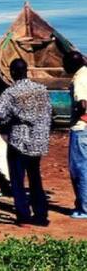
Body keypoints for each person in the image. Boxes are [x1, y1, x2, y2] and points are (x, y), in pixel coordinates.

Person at [0, 58, 52, 226]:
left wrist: (10, 118)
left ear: (13, 73)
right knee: (35, 179)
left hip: (19, 141)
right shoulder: (42, 89)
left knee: (17, 181)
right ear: (27, 71)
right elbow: (48, 113)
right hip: (38, 141)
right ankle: (41, 216)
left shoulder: (11, 92)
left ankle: (24, 217)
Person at [64, 51, 87, 220]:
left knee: (79, 169)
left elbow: (82, 104)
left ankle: (84, 208)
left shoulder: (79, 78)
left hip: (81, 128)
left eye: (65, 63)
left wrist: (79, 117)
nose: (63, 66)